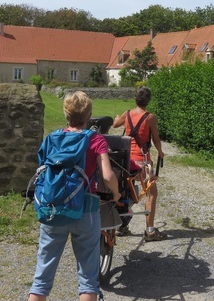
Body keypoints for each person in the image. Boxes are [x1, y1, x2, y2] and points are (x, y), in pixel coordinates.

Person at [29, 91, 121, 301]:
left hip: (53, 208)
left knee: (42, 277)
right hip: (86, 210)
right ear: (88, 115)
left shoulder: (52, 138)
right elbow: (107, 175)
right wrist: (116, 193)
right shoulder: (95, 139)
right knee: (88, 279)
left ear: (66, 114)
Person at [112, 85, 166, 242]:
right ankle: (150, 230)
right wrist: (160, 151)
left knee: (127, 192)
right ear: (148, 101)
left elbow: (115, 125)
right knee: (151, 193)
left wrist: (117, 119)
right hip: (142, 162)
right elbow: (155, 138)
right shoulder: (150, 118)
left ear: (135, 99)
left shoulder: (127, 114)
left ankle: (121, 226)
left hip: (127, 162)